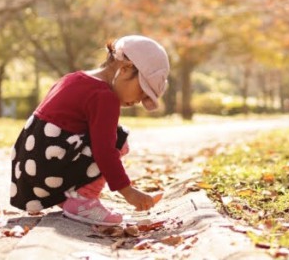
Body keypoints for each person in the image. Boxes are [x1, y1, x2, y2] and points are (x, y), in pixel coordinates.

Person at [9, 35, 170, 226]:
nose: (139, 101)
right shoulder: (104, 97)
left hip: (30, 171)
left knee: (100, 136)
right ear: (125, 68)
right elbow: (105, 151)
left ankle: (69, 198)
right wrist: (128, 191)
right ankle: (83, 202)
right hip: (47, 171)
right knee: (118, 140)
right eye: (142, 91)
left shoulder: (73, 78)